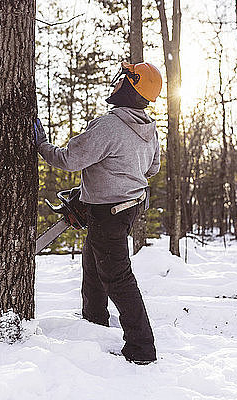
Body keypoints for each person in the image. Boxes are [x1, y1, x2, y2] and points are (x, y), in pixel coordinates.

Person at [33, 61, 162, 365]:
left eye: (121, 80)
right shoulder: (148, 128)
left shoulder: (109, 125)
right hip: (124, 209)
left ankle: (142, 348)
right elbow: (152, 168)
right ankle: (93, 326)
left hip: (109, 212)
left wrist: (41, 145)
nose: (115, 83)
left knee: (117, 278)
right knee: (93, 269)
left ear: (129, 88)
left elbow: (69, 159)